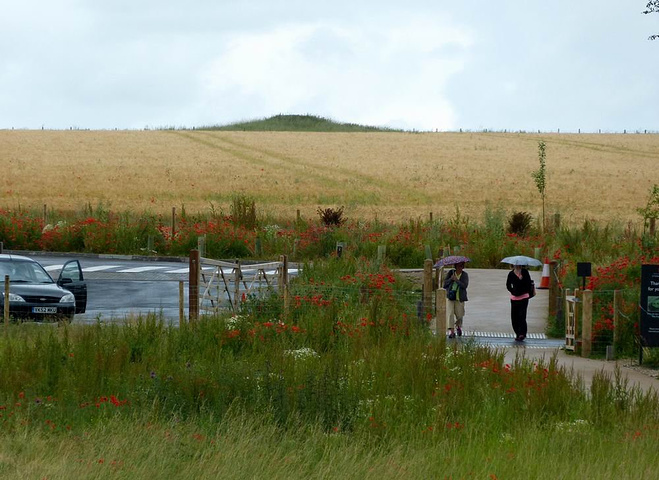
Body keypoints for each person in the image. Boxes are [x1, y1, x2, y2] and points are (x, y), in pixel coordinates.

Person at [506, 264, 535, 341]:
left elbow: (528, 284)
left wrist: (521, 279)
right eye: (516, 265)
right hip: (514, 298)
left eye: (519, 265)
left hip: (524, 297)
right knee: (514, 317)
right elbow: (508, 285)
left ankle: (522, 334)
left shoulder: (525, 272)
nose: (518, 267)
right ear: (513, 266)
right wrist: (512, 291)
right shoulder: (511, 274)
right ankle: (517, 333)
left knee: (522, 316)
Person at [443, 261, 469, 338]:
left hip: (459, 297)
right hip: (450, 297)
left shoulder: (465, 275)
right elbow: (445, 284)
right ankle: (451, 332)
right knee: (450, 314)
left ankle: (458, 327)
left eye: (461, 266)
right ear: (455, 266)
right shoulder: (451, 273)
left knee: (460, 314)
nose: (459, 267)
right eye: (458, 266)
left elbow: (464, 286)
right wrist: (451, 279)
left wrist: (457, 280)